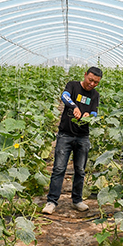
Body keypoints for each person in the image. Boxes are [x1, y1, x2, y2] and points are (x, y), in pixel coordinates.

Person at [42, 67, 102, 214]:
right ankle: (51, 202)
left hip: (83, 136)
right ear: (85, 75)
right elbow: (65, 96)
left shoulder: (95, 95)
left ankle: (77, 201)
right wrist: (74, 106)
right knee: (58, 169)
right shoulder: (73, 86)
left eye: (96, 82)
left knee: (80, 170)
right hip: (65, 134)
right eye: (90, 80)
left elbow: (95, 111)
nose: (92, 84)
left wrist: (89, 114)